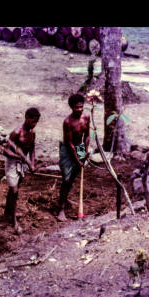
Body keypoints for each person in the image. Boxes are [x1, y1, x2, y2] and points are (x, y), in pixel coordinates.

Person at [2, 107, 41, 233]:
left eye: (36, 122)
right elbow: (6, 150)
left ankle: (7, 212)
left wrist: (32, 163)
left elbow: (32, 149)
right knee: (14, 190)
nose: (34, 124)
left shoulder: (32, 133)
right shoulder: (17, 132)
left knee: (14, 188)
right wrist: (18, 156)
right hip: (12, 162)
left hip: (22, 162)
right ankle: (13, 220)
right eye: (32, 121)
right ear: (26, 118)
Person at [58, 93, 90, 222]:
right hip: (67, 150)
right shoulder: (67, 122)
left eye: (81, 107)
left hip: (80, 147)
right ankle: (60, 209)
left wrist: (85, 152)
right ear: (71, 107)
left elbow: (87, 136)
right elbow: (70, 143)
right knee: (66, 179)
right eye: (77, 107)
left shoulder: (86, 117)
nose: (80, 109)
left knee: (72, 178)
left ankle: (64, 199)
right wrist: (77, 159)